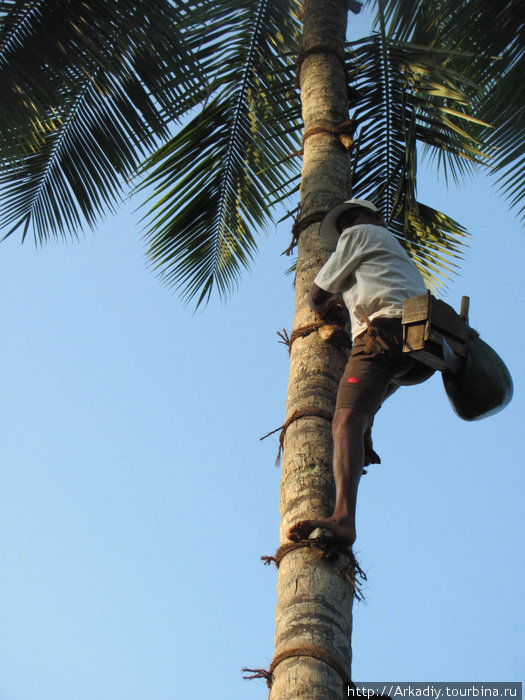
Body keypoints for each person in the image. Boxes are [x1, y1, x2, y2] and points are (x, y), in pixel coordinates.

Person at [287, 199, 434, 546]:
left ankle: (342, 519)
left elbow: (317, 295)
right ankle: (366, 430)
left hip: (379, 337)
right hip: (418, 345)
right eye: (343, 225)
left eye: (353, 218)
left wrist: (325, 307)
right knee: (362, 409)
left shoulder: (360, 235)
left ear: (374, 218)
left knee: (344, 422)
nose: (347, 227)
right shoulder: (391, 251)